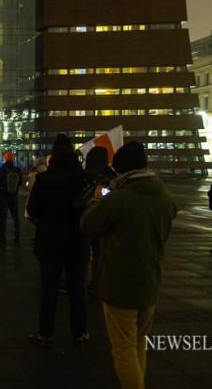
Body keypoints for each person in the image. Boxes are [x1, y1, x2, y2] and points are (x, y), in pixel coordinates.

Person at [80, 141, 177, 389]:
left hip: (120, 283)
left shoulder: (119, 198)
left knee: (123, 348)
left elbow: (88, 225)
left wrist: (95, 201)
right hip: (150, 281)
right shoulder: (164, 196)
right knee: (138, 344)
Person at [26, 134, 89, 347]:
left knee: (49, 289)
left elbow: (32, 209)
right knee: (77, 289)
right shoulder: (83, 179)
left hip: (50, 239)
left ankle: (45, 333)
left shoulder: (44, 180)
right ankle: (79, 332)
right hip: (77, 240)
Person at [82, 147, 117, 287]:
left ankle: (81, 278)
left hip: (86, 216)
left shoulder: (85, 174)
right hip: (105, 219)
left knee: (83, 252)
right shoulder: (111, 176)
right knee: (99, 252)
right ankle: (97, 279)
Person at [0, 151, 23, 244]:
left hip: (3, 196)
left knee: (3, 218)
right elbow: (20, 182)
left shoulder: (1, 169)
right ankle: (17, 237)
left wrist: (0, 193)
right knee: (15, 217)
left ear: (5, 159)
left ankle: (2, 238)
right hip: (14, 196)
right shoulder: (17, 170)